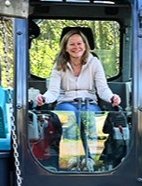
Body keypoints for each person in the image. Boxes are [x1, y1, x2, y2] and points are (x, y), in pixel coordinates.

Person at [42, 27, 119, 170]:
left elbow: (102, 89)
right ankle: (70, 163)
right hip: (66, 102)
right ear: (65, 47)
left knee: (91, 120)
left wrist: (112, 97)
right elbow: (53, 91)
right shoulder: (59, 65)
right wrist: (44, 99)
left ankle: (91, 162)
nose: (76, 47)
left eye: (79, 43)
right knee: (70, 119)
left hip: (89, 102)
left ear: (85, 45)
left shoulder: (94, 63)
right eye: (72, 44)